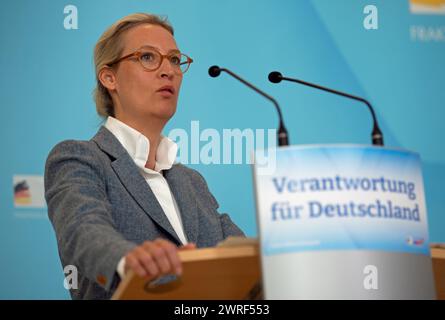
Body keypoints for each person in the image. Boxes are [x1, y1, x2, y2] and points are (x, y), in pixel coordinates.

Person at [44, 13, 244, 300]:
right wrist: (131, 260)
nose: (169, 71)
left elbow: (243, 255)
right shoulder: (78, 158)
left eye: (175, 59)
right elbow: (82, 232)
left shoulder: (192, 182)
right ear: (109, 77)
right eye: (148, 57)